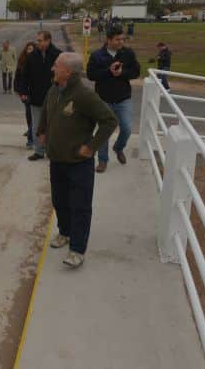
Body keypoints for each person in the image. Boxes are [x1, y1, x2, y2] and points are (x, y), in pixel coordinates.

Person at [36, 52, 117, 268]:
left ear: (67, 72)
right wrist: (41, 131)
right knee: (60, 201)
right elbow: (46, 109)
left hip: (78, 163)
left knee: (80, 206)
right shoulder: (55, 88)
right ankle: (65, 233)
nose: (52, 68)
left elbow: (109, 121)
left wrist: (91, 147)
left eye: (56, 65)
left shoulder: (83, 94)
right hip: (57, 159)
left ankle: (77, 250)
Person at [86, 25, 141, 173]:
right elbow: (90, 74)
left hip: (123, 98)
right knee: (104, 131)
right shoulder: (97, 55)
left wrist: (122, 73)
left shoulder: (128, 53)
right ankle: (102, 160)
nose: (121, 42)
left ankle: (118, 148)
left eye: (122, 39)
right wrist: (108, 71)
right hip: (103, 99)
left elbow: (136, 72)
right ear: (108, 40)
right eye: (117, 39)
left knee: (127, 128)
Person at [21, 30, 61, 160]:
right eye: (37, 40)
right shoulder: (32, 56)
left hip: (54, 99)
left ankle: (52, 151)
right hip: (36, 98)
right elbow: (24, 76)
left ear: (48, 41)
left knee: (54, 126)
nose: (37, 42)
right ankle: (38, 151)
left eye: (40, 40)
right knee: (37, 126)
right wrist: (24, 92)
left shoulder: (58, 55)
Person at [14, 41, 37, 149]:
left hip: (37, 93)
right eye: (28, 49)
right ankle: (30, 132)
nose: (30, 51)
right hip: (26, 94)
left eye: (32, 49)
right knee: (29, 115)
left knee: (35, 116)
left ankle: (31, 139)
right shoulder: (22, 62)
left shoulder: (38, 62)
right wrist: (18, 91)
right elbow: (17, 78)